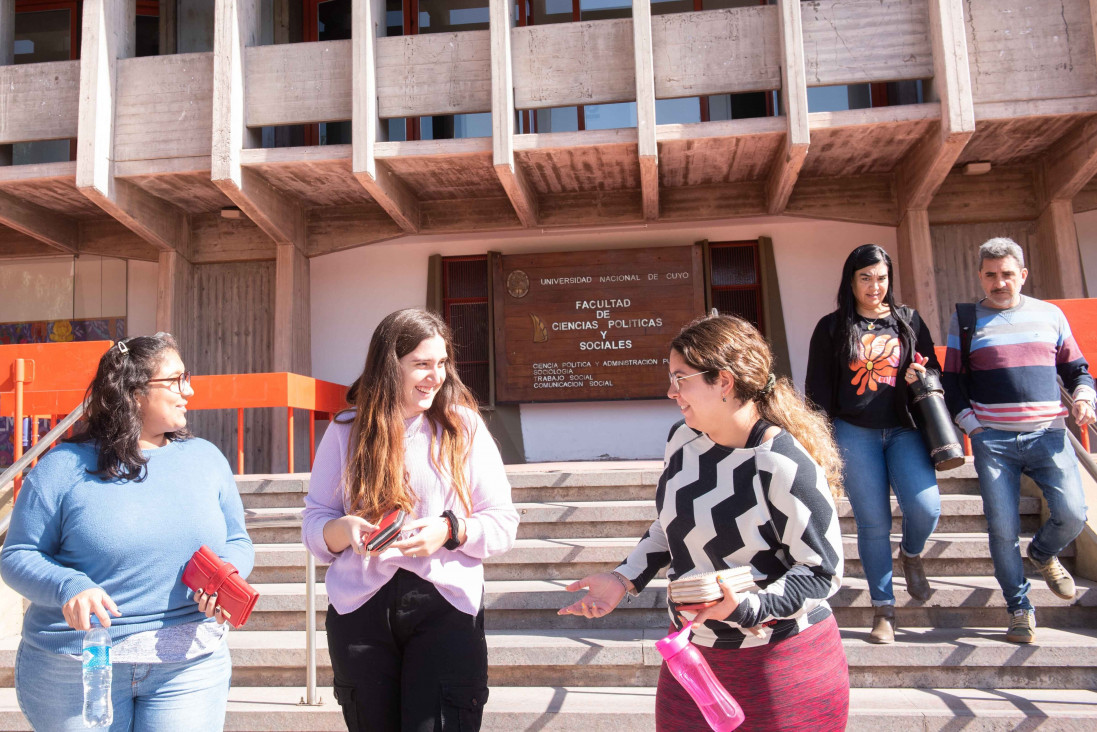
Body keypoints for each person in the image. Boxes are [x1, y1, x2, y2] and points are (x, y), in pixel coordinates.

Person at [559, 314, 848, 732]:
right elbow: (670, 526)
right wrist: (623, 579)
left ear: (724, 382)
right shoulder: (681, 439)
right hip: (692, 660)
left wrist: (749, 608)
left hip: (783, 667)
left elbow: (822, 571)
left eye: (681, 378)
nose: (671, 391)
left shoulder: (783, 463)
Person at [0, 333, 252, 731]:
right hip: (79, 668)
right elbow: (17, 555)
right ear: (134, 392)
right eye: (176, 379)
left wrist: (228, 575)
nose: (189, 390)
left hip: (188, 666)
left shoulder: (207, 459)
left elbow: (237, 539)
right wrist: (69, 585)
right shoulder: (61, 467)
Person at [302, 308, 518, 732]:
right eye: (421, 364)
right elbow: (315, 523)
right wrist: (343, 531)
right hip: (359, 610)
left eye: (441, 363)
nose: (435, 376)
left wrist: (449, 530)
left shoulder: (465, 427)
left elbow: (502, 522)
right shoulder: (346, 430)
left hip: (446, 607)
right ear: (389, 365)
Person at [942, 237, 1094, 643]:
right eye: (990, 275)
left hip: (1050, 435)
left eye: (1007, 274)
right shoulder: (967, 320)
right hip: (994, 442)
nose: (999, 283)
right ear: (980, 276)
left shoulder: (1051, 315)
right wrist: (972, 425)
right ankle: (1019, 607)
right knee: (1002, 530)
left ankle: (1043, 553)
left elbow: (1078, 370)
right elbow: (952, 382)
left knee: (1073, 513)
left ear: (1022, 275)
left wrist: (1083, 397)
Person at [804, 244, 942, 644]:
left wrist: (922, 371)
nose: (874, 286)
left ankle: (912, 554)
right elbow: (817, 390)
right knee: (873, 523)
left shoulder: (909, 321)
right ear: (851, 281)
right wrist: (820, 443)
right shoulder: (831, 327)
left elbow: (931, 368)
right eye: (865, 278)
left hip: (906, 429)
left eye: (881, 278)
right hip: (854, 431)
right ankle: (884, 608)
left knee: (925, 507)